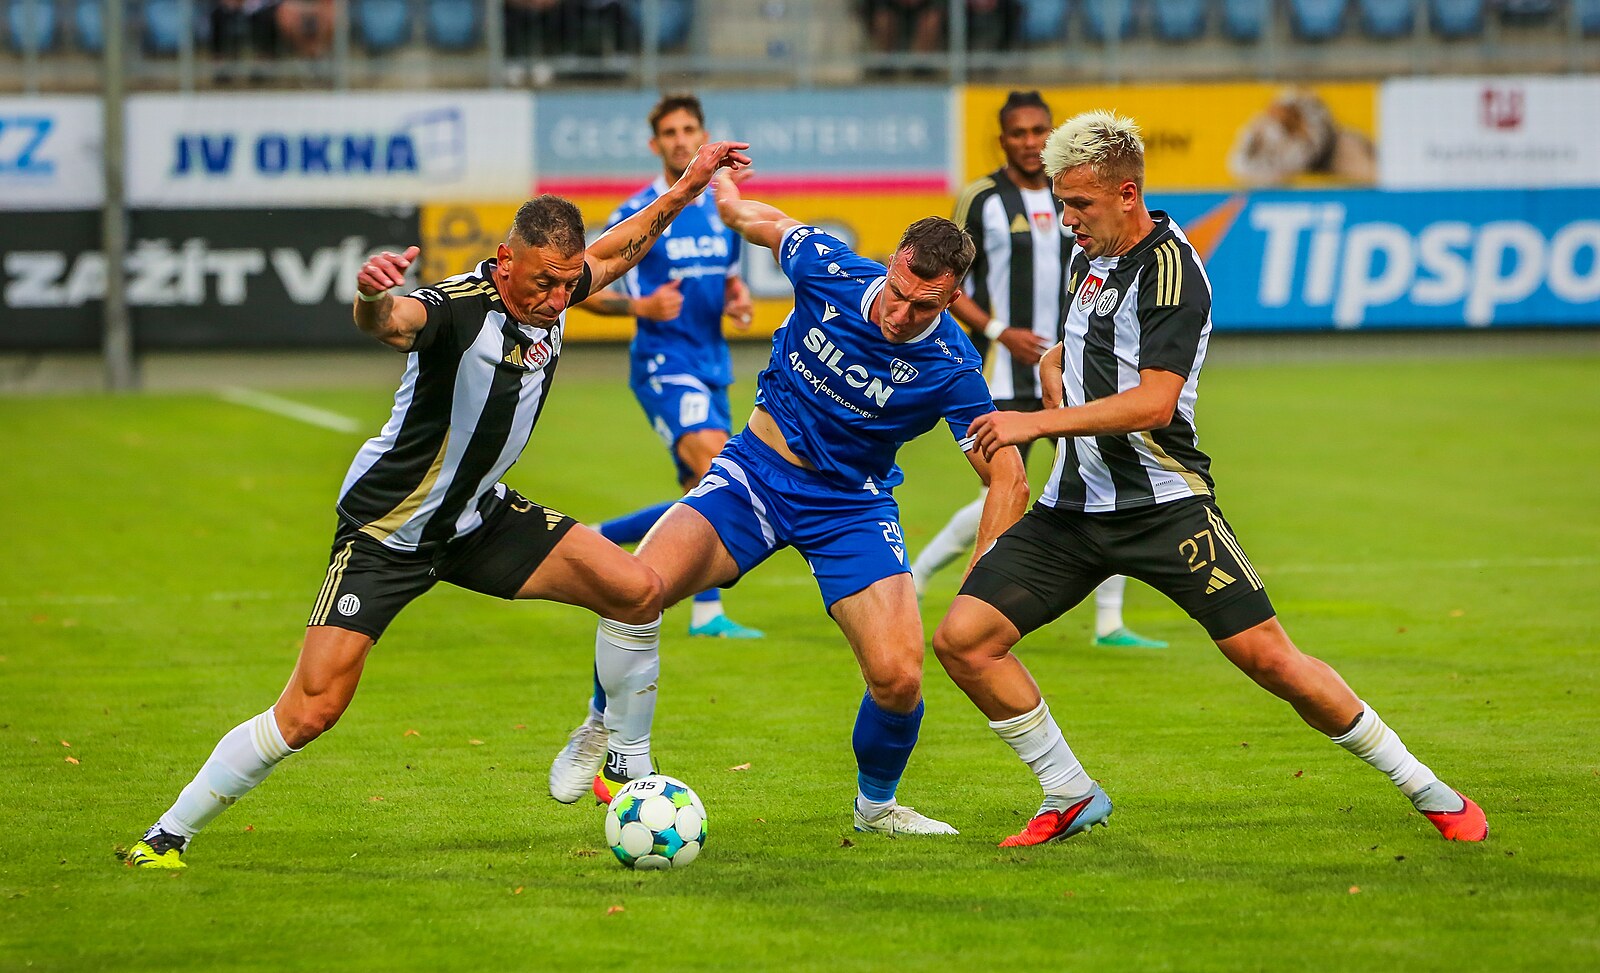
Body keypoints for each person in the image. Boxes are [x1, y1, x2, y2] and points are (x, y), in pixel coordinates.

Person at [122, 139, 752, 870]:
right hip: (388, 530)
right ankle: (166, 834)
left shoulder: (558, 286)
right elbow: (389, 323)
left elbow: (623, 245)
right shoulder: (456, 308)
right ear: (504, 259)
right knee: (311, 709)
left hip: (480, 517)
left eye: (567, 283)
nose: (557, 299)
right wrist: (368, 295)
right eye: (544, 282)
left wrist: (689, 184)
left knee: (638, 590)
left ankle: (622, 764)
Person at [932, 110, 1487, 848]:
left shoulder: (1173, 269)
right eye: (1062, 203)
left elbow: (1155, 401)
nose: (1067, 218)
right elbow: (1084, 345)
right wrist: (1054, 366)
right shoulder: (1087, 256)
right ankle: (1068, 790)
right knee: (964, 640)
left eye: (1080, 204)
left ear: (1127, 193)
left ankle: (1427, 786)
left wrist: (1033, 422)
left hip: (1165, 504)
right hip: (1075, 508)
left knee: (1270, 659)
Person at [549, 171, 1029, 836]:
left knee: (898, 676)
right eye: (899, 293)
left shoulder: (951, 366)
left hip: (850, 507)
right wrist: (729, 203)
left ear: (953, 297)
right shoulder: (828, 265)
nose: (901, 313)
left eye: (925, 306)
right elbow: (769, 225)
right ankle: (603, 729)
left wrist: (984, 576)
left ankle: (877, 809)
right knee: (637, 585)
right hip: (754, 476)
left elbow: (1007, 473)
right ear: (891, 263)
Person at [913, 91, 1165, 651]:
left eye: (1038, 132)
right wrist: (1000, 330)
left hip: (1076, 369)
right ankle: (921, 573)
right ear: (1002, 139)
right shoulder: (981, 199)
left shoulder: (1084, 200)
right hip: (1005, 368)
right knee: (1004, 487)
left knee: (1109, 480)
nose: (1029, 142)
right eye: (1019, 133)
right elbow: (946, 279)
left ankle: (1109, 622)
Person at [585, 94, 763, 643]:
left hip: (713, 365)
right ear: (655, 144)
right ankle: (595, 544)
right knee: (721, 470)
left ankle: (705, 613)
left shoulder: (722, 207)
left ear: (702, 135)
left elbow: (727, 276)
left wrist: (736, 297)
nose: (681, 139)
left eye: (690, 129)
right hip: (665, 364)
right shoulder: (639, 212)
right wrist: (639, 306)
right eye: (670, 132)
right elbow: (583, 288)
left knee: (701, 494)